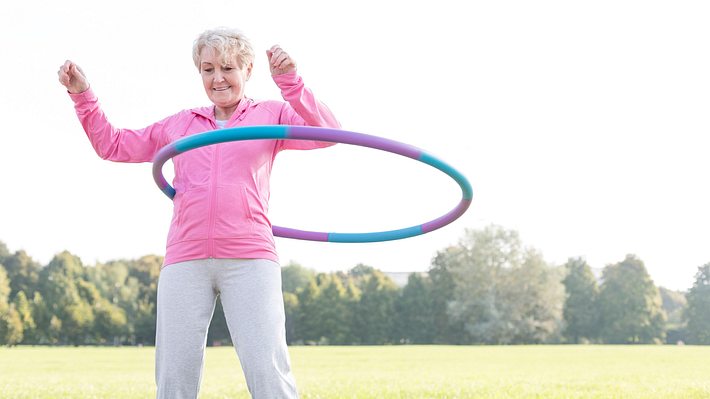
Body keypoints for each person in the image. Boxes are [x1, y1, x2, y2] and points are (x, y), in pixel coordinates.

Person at [57, 27, 339, 399]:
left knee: (268, 369)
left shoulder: (272, 114)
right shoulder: (181, 124)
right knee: (174, 377)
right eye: (207, 69)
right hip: (185, 260)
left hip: (250, 256)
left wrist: (290, 82)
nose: (217, 78)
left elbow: (329, 132)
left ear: (247, 69)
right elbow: (113, 145)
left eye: (227, 68)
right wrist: (82, 95)